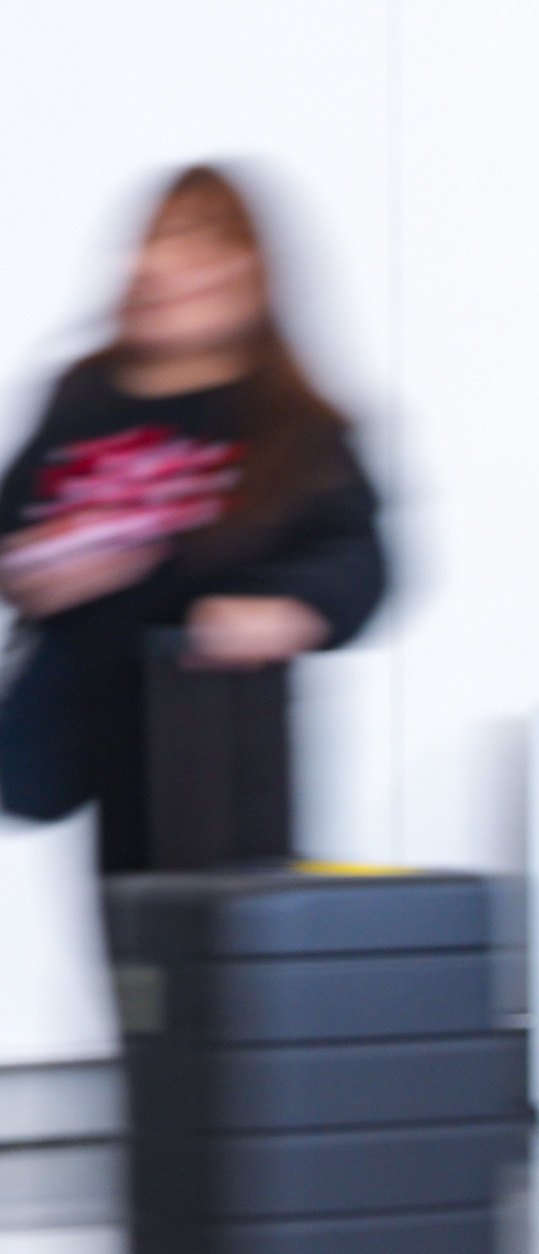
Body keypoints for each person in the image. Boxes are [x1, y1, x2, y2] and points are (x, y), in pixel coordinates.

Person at [0, 166, 384, 887]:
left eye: (203, 244)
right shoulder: (86, 395)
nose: (170, 265)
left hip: (220, 745)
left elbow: (360, 555)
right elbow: (14, 527)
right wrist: (36, 566)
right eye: (161, 239)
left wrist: (285, 609)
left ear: (249, 271)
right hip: (93, 731)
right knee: (139, 969)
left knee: (225, 961)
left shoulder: (287, 420)